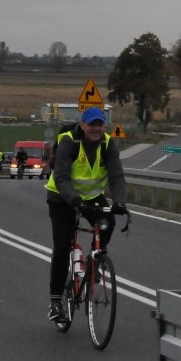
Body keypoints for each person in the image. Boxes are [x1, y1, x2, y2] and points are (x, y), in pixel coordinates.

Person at [44, 107, 127, 322]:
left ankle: (96, 259)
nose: (96, 128)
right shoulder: (69, 142)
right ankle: (55, 302)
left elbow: (116, 174)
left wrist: (119, 201)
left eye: (100, 124)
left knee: (108, 222)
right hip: (62, 197)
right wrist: (74, 200)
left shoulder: (108, 143)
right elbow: (61, 177)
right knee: (62, 247)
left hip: (91, 196)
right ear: (83, 125)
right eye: (92, 124)